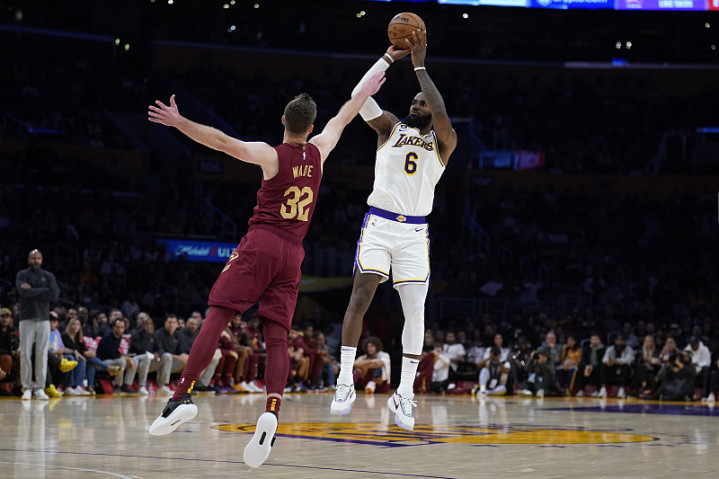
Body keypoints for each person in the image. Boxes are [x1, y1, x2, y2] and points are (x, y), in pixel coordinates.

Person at [146, 70, 386, 469]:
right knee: (277, 336)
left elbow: (222, 142)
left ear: (283, 121)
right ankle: (272, 408)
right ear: (311, 127)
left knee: (219, 314)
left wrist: (179, 122)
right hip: (294, 253)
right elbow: (343, 117)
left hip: (262, 242)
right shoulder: (320, 149)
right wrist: (366, 90)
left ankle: (181, 396)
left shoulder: (271, 154)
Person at [331, 29, 457, 432]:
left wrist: (420, 67)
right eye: (413, 101)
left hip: (415, 234)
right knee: (361, 296)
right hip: (380, 225)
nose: (414, 104)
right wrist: (388, 58)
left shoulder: (444, 142)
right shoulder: (389, 128)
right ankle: (344, 380)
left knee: (416, 312)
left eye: (422, 102)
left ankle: (404, 393)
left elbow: (440, 110)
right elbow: (358, 96)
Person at [17, 249, 60, 400]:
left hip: (44, 319)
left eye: (38, 258)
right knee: (25, 354)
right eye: (33, 258)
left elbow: (54, 296)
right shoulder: (22, 274)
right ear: (28, 259)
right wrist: (43, 290)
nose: (36, 260)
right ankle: (26, 388)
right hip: (26, 319)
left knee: (42, 355)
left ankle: (40, 388)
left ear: (42, 260)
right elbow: (23, 293)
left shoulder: (48, 276)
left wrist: (33, 290)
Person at [0, 307, 20, 394]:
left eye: (7, 317)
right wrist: (11, 353)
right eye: (2, 316)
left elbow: (16, 345)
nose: (4, 319)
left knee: (22, 357)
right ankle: (2, 389)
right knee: (7, 358)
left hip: (9, 358)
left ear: (10, 319)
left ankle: (18, 387)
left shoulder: (12, 332)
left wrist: (17, 351)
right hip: (3, 359)